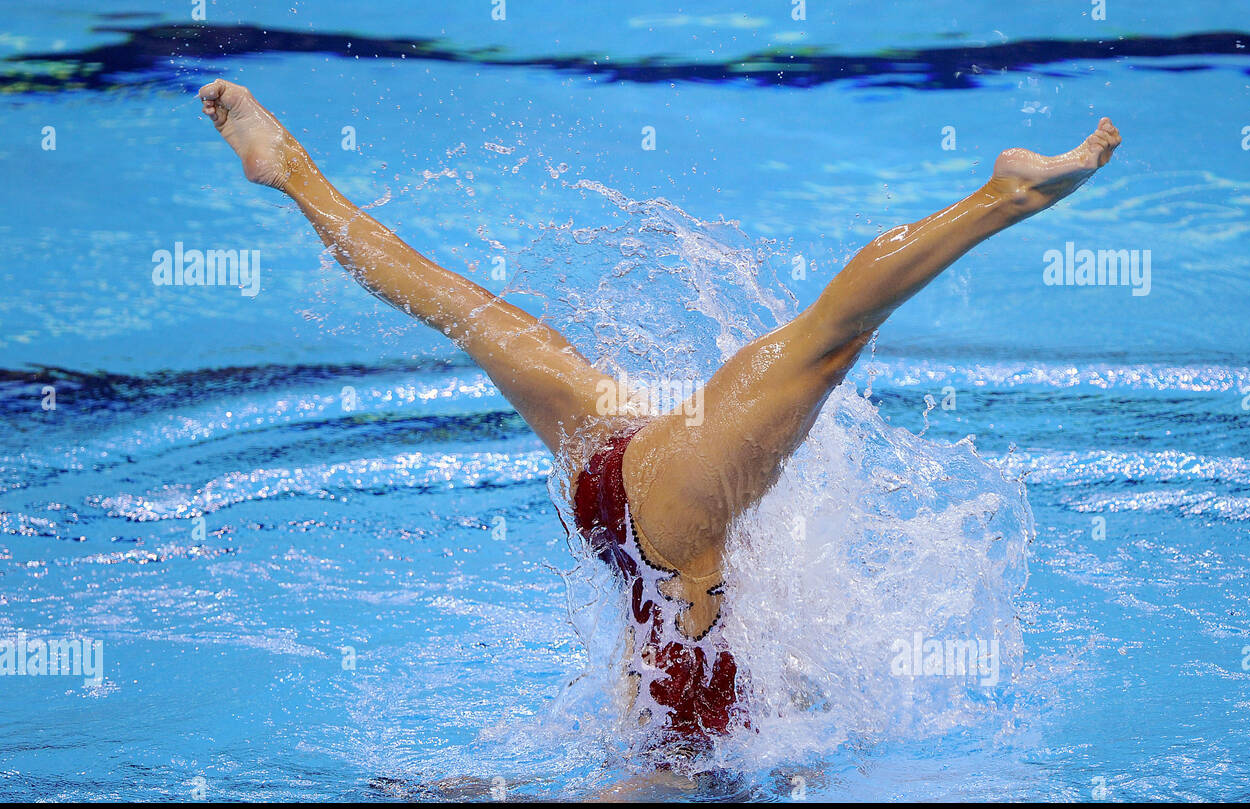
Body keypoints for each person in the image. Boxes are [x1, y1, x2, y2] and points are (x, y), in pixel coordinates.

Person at [199, 79, 1120, 761]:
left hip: (658, 513)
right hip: (622, 494)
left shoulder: (678, 760)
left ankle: (1005, 194)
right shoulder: (687, 735)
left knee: (823, 343)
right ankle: (291, 174)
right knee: (456, 301)